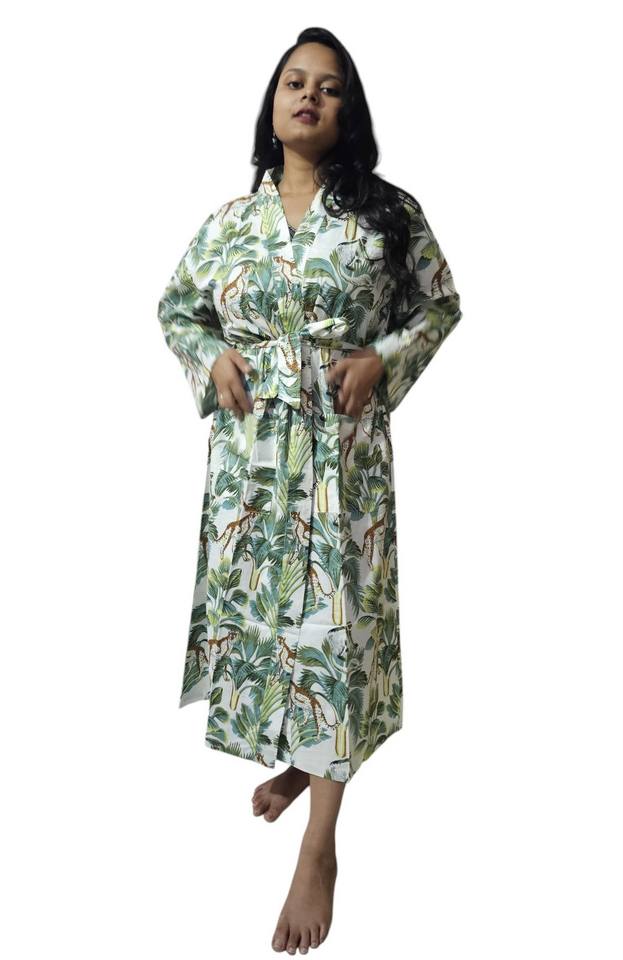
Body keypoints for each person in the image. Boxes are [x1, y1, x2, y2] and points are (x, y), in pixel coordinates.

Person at [157, 26, 462, 955]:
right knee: (271, 620)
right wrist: (211, 356)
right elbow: (176, 307)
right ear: (272, 100)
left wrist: (384, 359)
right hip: (252, 456)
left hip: (340, 448)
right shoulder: (229, 222)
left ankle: (320, 847)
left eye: (329, 88)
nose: (308, 96)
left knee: (337, 625)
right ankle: (301, 761)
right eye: (294, 81)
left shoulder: (387, 213)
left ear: (347, 112)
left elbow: (440, 302)